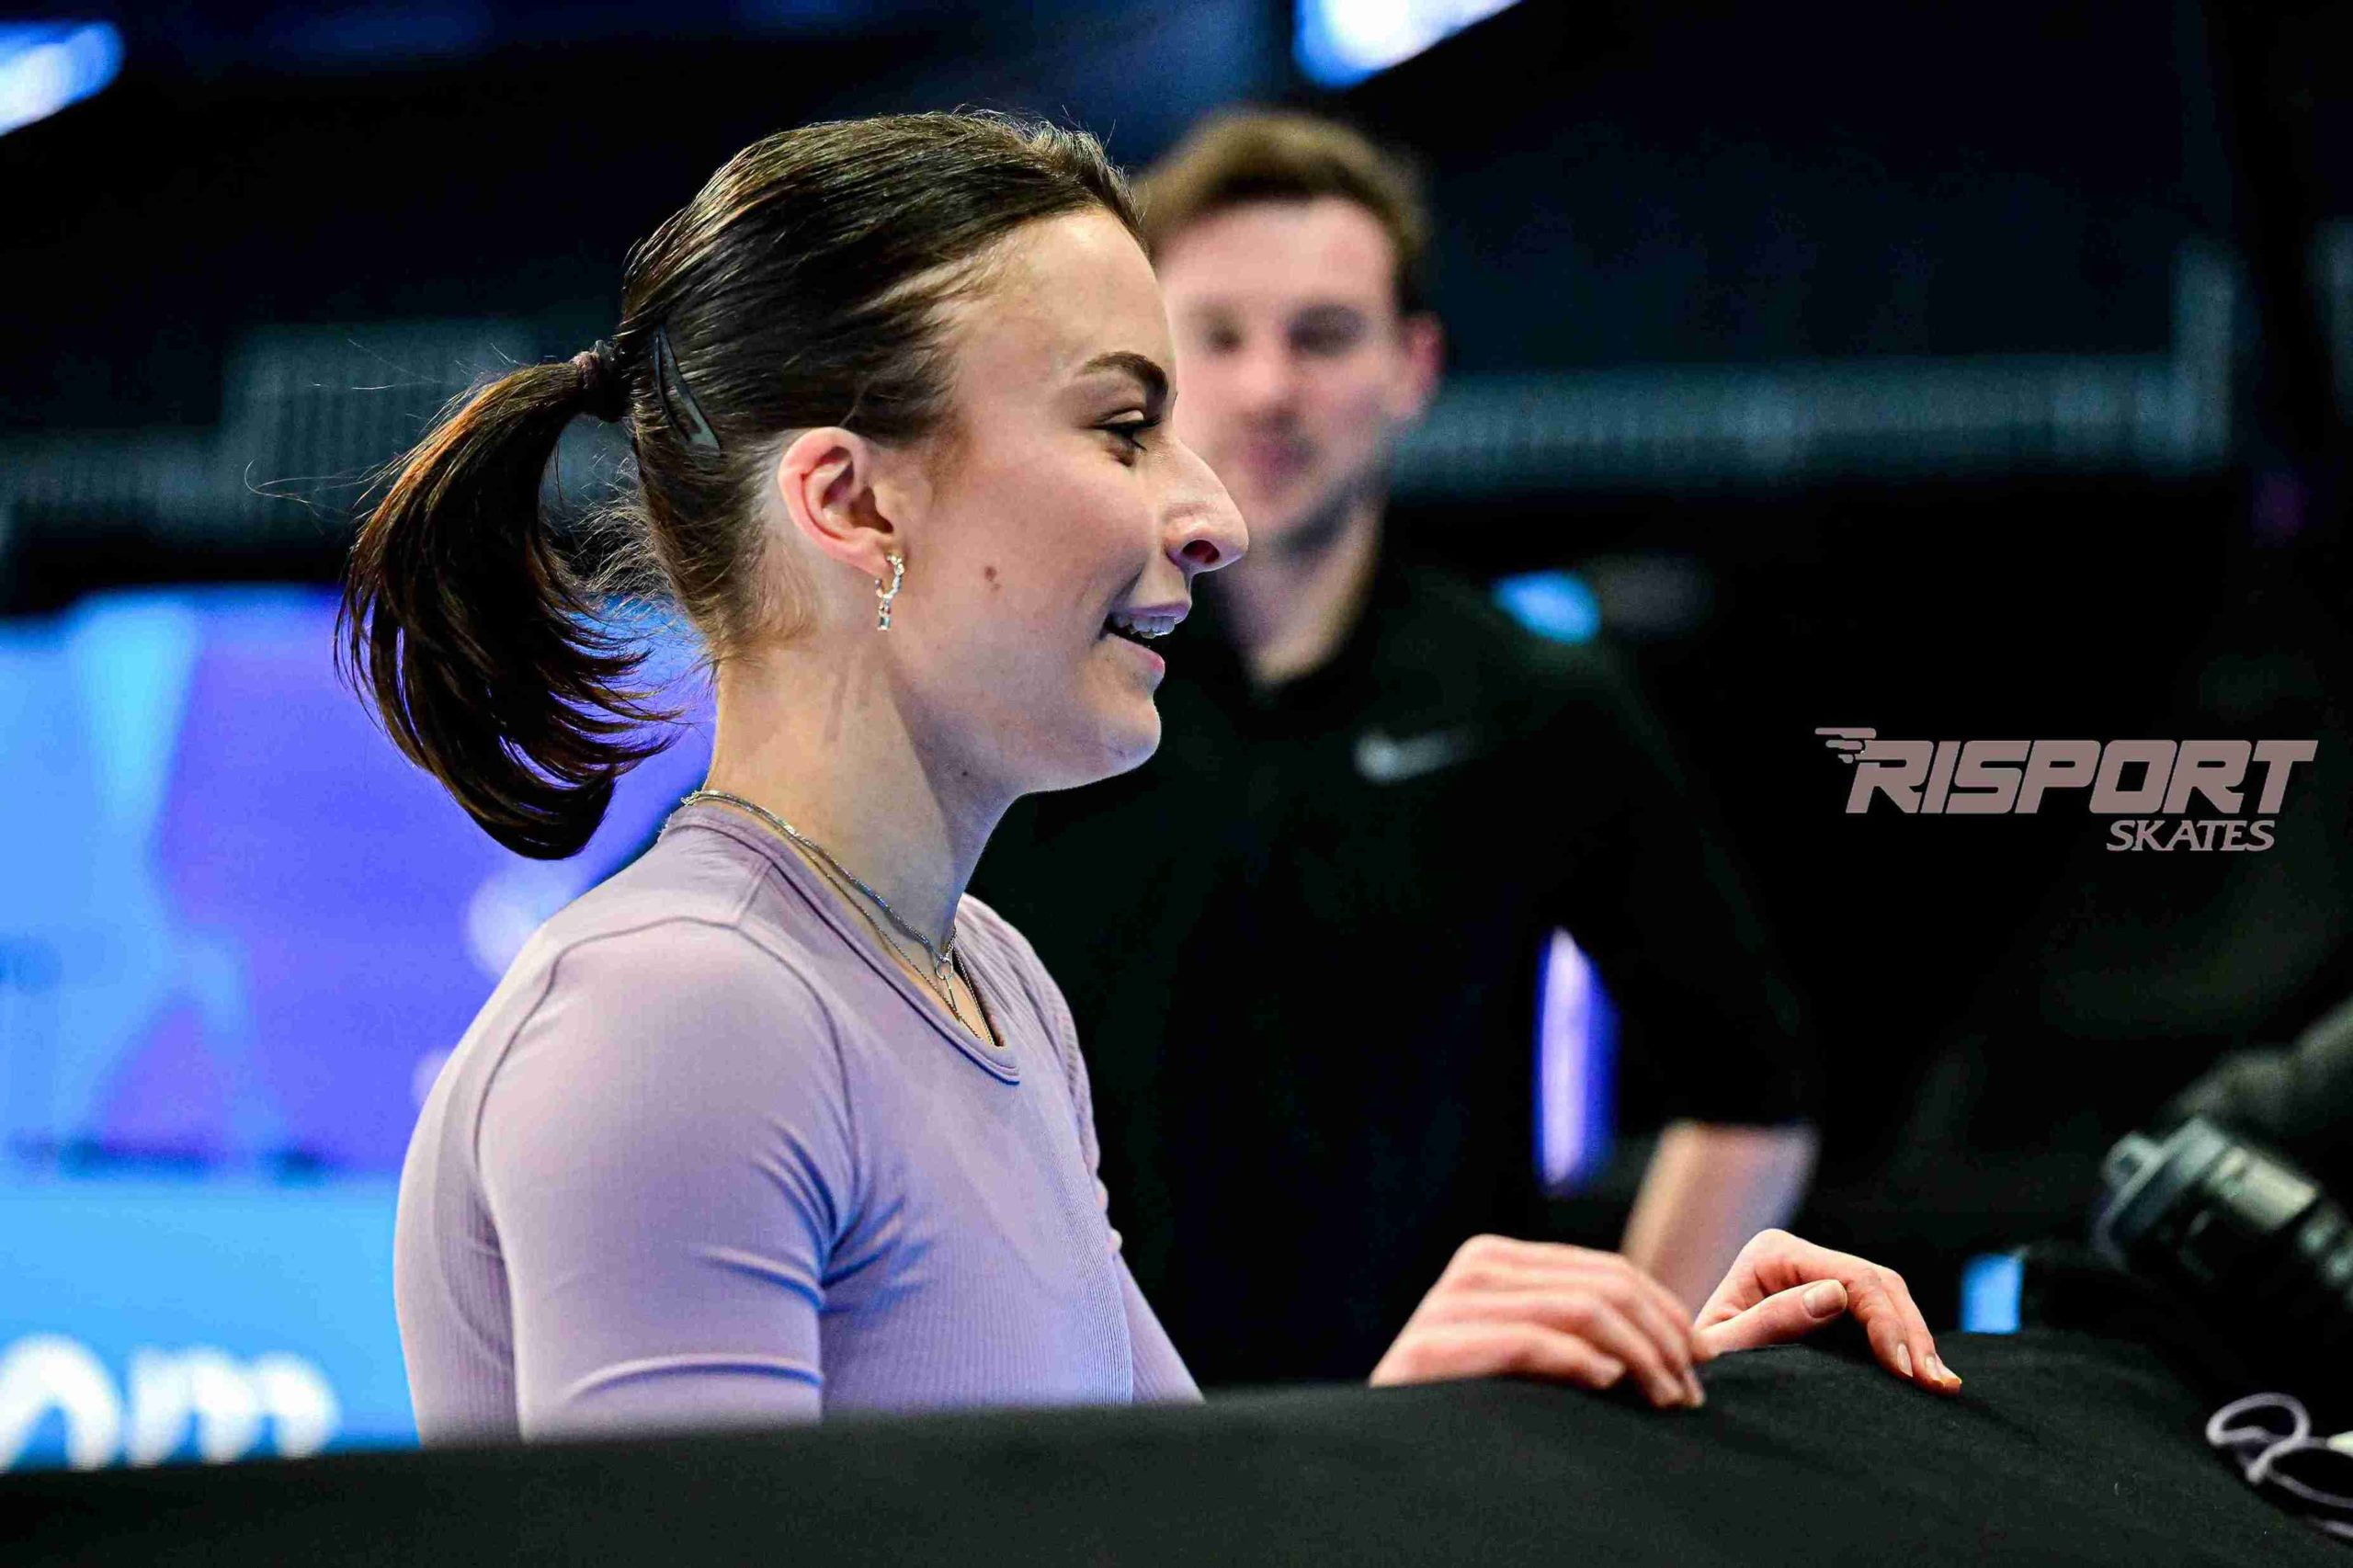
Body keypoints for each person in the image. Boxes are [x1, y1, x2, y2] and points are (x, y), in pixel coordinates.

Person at [345, 111, 1958, 1440]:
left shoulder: (997, 986)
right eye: (1125, 425)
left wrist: (1532, 1398)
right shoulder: (685, 1012)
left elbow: (1197, 1530)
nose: (1213, 512)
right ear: (853, 502)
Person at [972, 109, 1820, 1385]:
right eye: (1218, 336)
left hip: (1421, 1448)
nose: (1269, 387)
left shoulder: (1528, 700)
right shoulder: (1038, 686)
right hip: (1085, 1438)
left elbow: (1753, 1090)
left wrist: (1621, 1388)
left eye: (1322, 335)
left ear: (1413, 364)